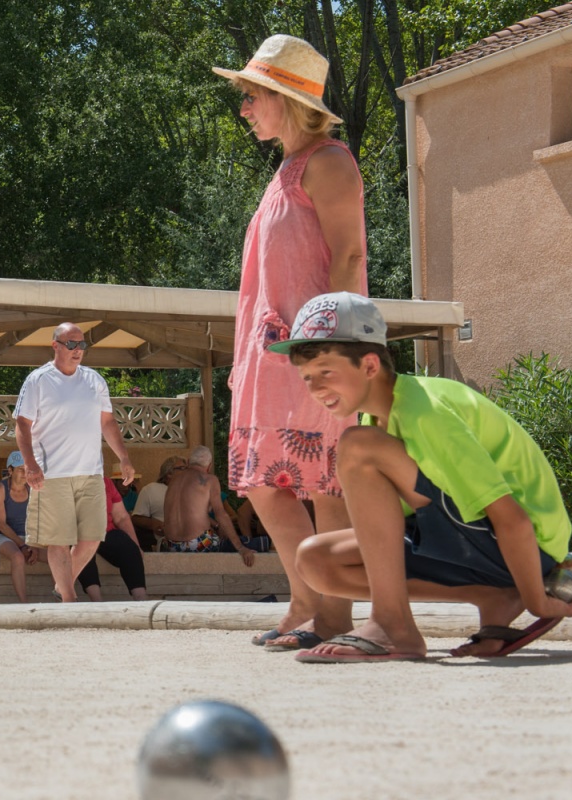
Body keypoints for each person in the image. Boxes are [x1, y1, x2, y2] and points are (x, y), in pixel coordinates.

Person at [274, 292, 572, 662]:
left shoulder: (423, 411)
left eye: (326, 372)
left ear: (369, 366)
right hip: (479, 547)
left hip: (528, 550)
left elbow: (510, 517)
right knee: (316, 562)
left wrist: (538, 601)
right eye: (306, 378)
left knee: (358, 447)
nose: (316, 389)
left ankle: (392, 626)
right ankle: (492, 596)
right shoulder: (377, 420)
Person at [214, 35, 369, 650]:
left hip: (315, 350)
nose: (244, 108)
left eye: (251, 96)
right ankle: (306, 598)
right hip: (269, 355)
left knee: (325, 482)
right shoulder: (286, 169)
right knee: (261, 482)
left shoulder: (329, 160)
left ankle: (333, 618)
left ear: (285, 97)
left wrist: (333, 343)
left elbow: (351, 255)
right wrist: (242, 360)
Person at [15, 322, 137, 602]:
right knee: (58, 540)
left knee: (93, 537)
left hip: (91, 473)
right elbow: (22, 424)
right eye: (71, 344)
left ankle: (64, 585)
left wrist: (124, 458)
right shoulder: (38, 379)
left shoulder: (95, 380)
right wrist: (30, 464)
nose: (78, 350)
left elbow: (107, 421)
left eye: (81, 344)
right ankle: (70, 600)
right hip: (52, 474)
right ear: (55, 345)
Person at [163, 446, 266, 567]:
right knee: (249, 544)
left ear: (189, 461)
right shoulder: (210, 480)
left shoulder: (174, 480)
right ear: (209, 466)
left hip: (171, 545)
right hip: (198, 544)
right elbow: (221, 514)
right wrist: (240, 548)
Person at [75, 474, 150, 601]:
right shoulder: (69, 480)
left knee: (129, 548)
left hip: (106, 531)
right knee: (82, 550)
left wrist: (136, 546)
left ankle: (142, 600)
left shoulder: (106, 483)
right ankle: (97, 603)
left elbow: (121, 517)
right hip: (78, 533)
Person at [0, 451, 40, 602]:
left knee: (56, 554)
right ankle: (24, 604)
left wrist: (34, 545)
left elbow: (37, 520)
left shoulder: (32, 489)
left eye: (27, 469)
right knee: (17, 557)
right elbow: (2, 525)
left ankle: (62, 599)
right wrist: (23, 545)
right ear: (10, 471)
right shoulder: (0, 489)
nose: (25, 474)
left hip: (28, 538)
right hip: (6, 536)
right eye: (20, 469)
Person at [130, 456, 184, 550]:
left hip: (191, 537)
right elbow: (136, 518)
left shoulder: (191, 491)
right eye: (182, 468)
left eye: (187, 468)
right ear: (169, 474)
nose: (186, 472)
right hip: (166, 540)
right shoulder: (150, 490)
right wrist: (153, 523)